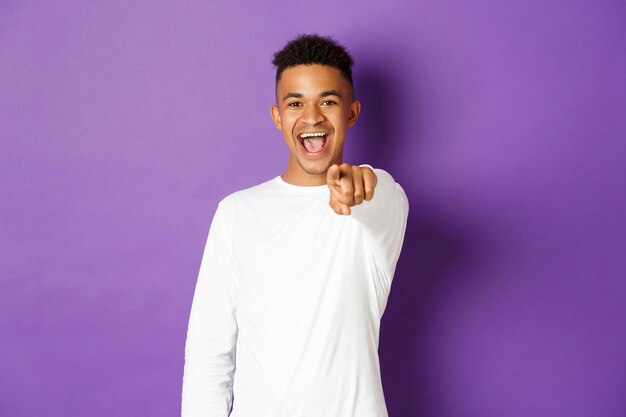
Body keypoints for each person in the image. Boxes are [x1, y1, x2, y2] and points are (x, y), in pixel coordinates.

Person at [181, 34, 409, 417]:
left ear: (351, 112)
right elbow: (209, 355)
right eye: (295, 103)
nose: (312, 117)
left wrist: (361, 183)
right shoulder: (236, 213)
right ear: (277, 116)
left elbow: (376, 192)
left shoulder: (380, 204)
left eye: (328, 101)